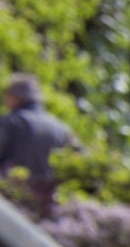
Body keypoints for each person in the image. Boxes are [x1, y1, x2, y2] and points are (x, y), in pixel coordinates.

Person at [0, 74, 76, 217]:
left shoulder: (12, 122)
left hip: (8, 198)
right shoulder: (61, 129)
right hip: (45, 207)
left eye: (6, 94)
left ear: (15, 96)